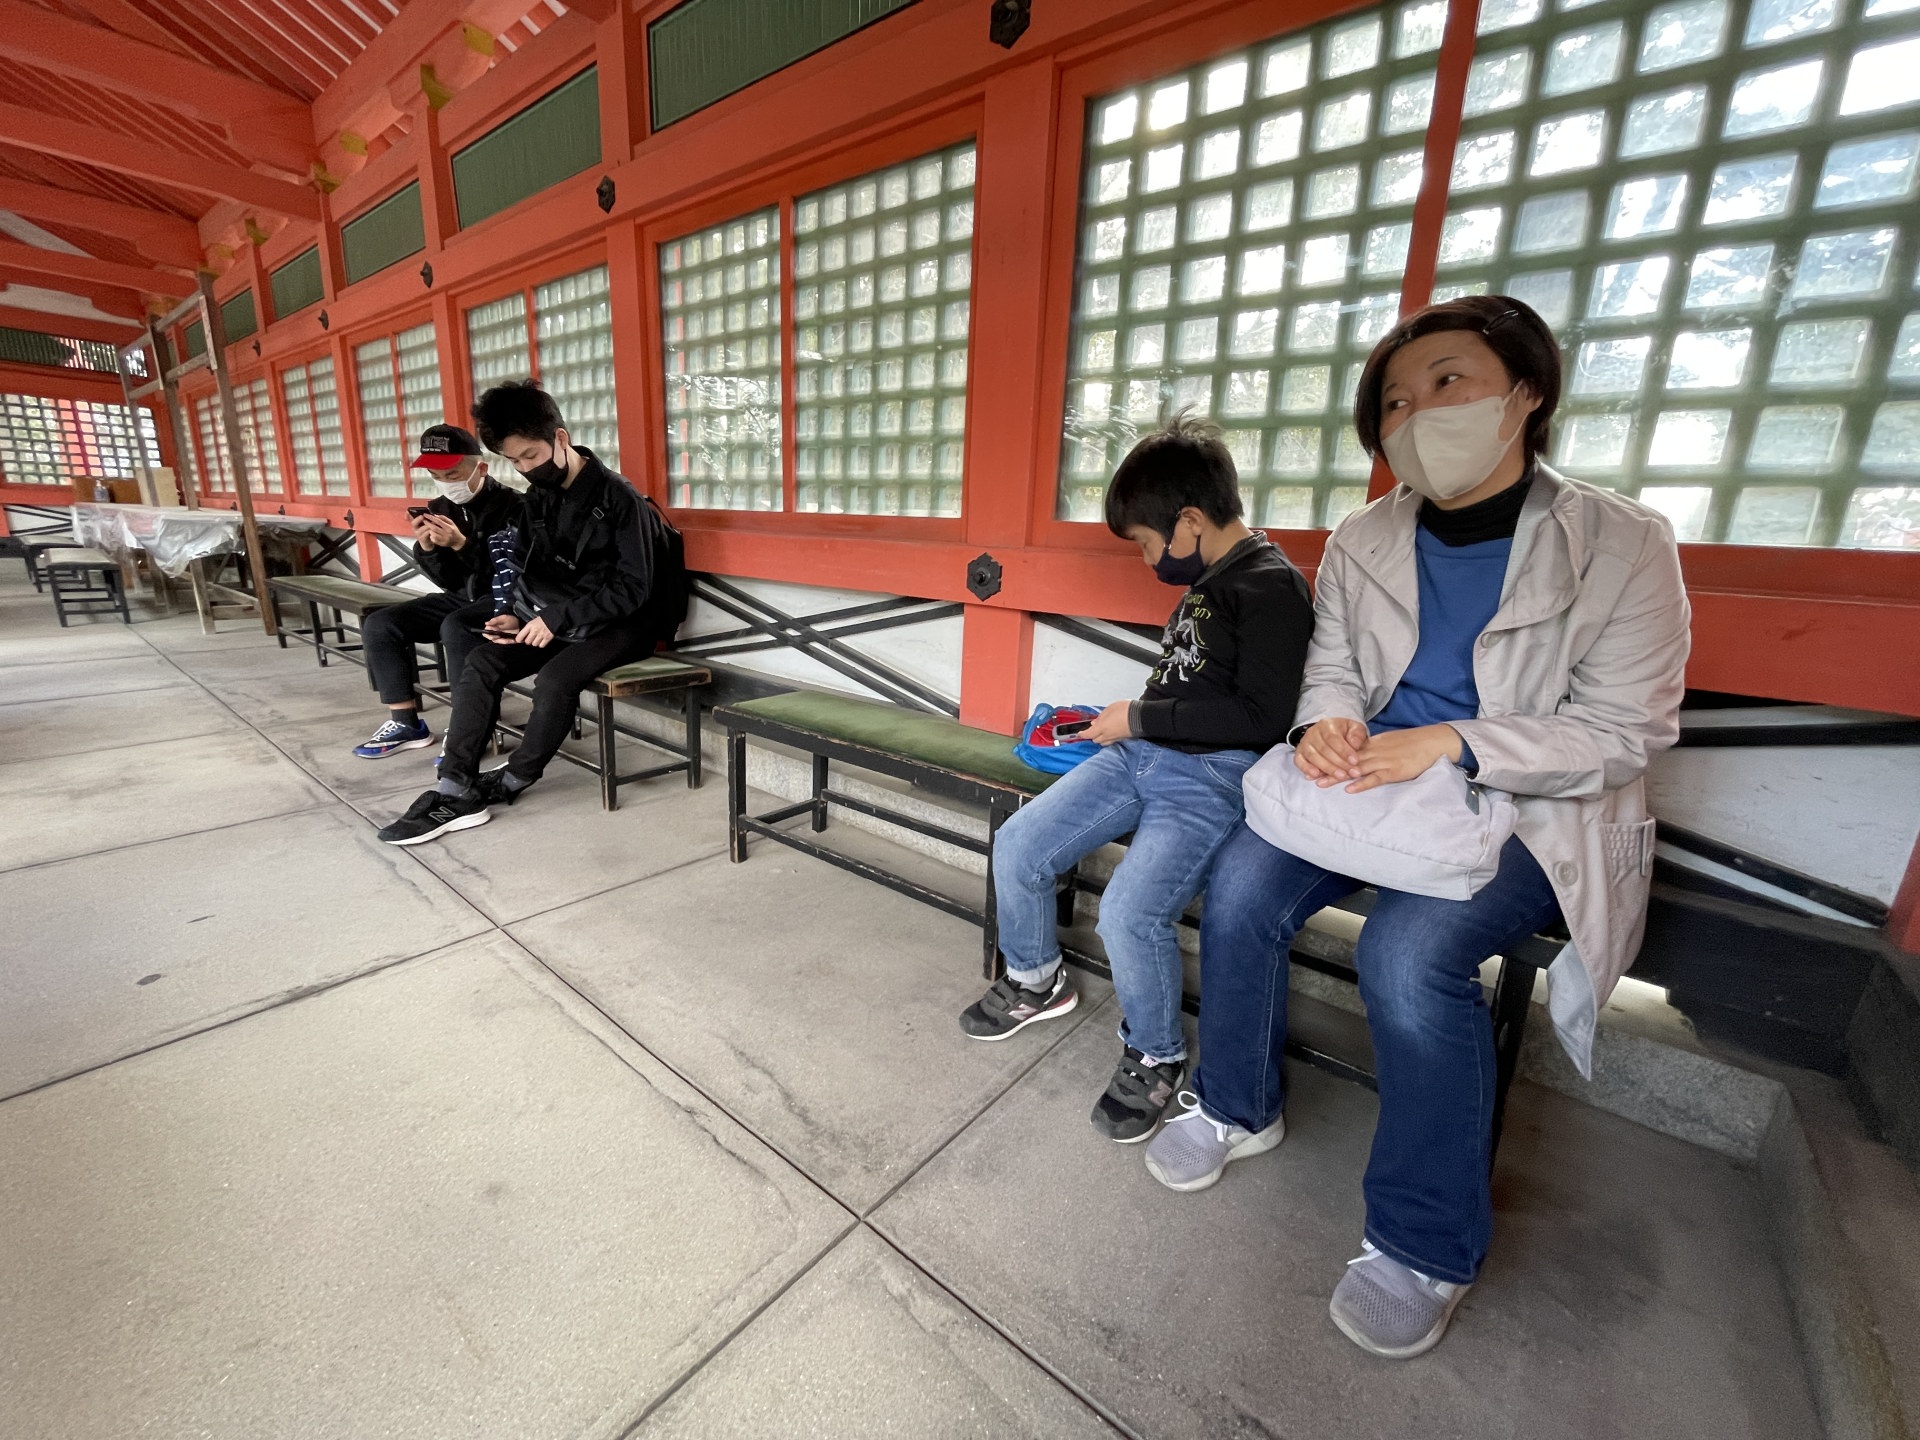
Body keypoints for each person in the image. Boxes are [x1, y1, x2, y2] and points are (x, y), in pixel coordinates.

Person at [1143, 296, 1691, 1360]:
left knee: (1405, 956)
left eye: (1448, 382)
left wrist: (1452, 743)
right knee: (1242, 886)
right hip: (1370, 777)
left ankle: (1422, 1241)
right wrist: (1327, 723)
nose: (1416, 413)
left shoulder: (1623, 542)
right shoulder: (1367, 534)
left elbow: (1625, 732)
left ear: (1525, 393)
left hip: (1533, 802)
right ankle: (1235, 1105)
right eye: (1394, 401)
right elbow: (1334, 665)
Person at [956, 412, 1315, 1143]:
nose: (1150, 560)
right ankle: (1035, 979)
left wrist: (1141, 718)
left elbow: (1262, 717)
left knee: (1128, 913)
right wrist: (1124, 721)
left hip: (1210, 776)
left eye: (1149, 544)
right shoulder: (1208, 581)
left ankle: (1155, 1053)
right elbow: (1190, 685)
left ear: (1190, 521)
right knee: (1020, 845)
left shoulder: (1271, 587)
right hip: (1137, 752)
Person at [375, 382, 687, 846]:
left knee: (556, 679)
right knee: (483, 659)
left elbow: (634, 589)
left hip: (625, 622)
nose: (524, 468)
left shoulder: (619, 498)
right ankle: (454, 785)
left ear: (560, 438)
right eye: (514, 461)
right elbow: (526, 568)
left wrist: (554, 620)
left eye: (530, 455)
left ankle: (514, 778)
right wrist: (516, 615)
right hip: (562, 617)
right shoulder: (540, 496)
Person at [352, 424, 522, 759]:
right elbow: (449, 581)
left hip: (507, 602)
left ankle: (469, 731)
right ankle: (405, 722)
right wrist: (428, 549)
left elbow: (514, 573)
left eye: (452, 474)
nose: (445, 482)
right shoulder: (441, 508)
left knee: (456, 626)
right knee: (381, 623)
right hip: (463, 597)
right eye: (436, 475)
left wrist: (463, 544)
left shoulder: (516, 507)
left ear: (481, 468)